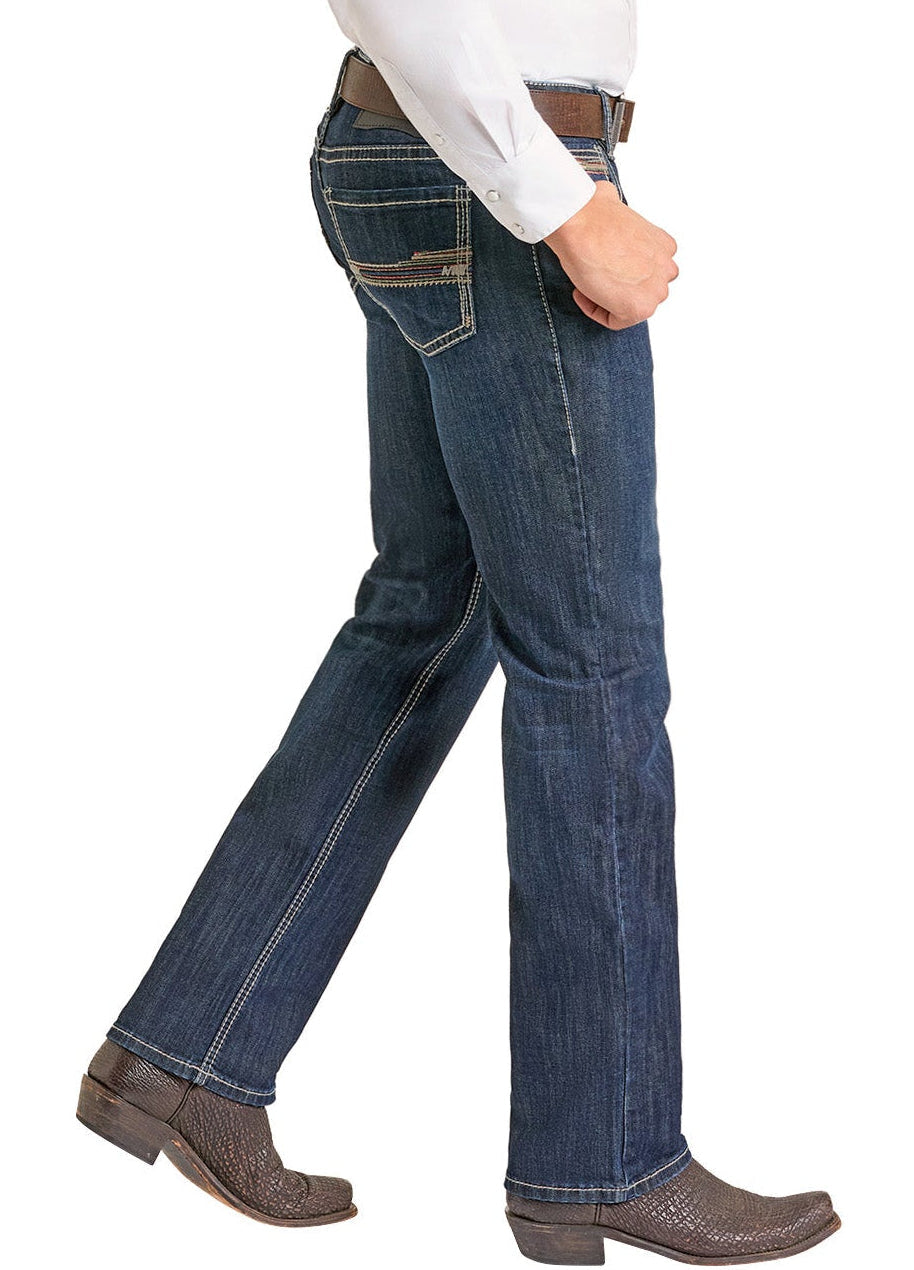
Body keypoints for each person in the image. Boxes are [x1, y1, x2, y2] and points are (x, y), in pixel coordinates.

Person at [76, 2, 841, 1262]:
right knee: (589, 662)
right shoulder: (530, 182)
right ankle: (600, 1156)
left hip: (426, 153)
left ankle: (185, 1053)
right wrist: (564, 204)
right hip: (499, 172)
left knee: (430, 613)